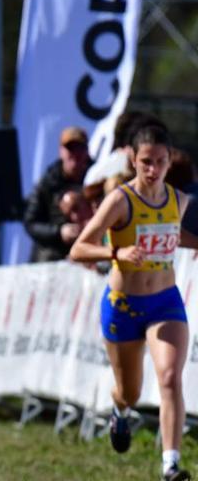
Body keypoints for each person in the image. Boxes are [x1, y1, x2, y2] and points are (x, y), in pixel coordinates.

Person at [70, 124, 196, 481]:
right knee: (130, 390)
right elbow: (78, 248)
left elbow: (174, 234)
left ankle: (170, 465)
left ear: (170, 161)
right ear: (133, 159)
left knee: (170, 378)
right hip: (123, 305)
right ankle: (119, 410)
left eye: (159, 162)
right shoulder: (120, 200)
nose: (153, 170)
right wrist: (116, 251)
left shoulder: (179, 200)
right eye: (145, 162)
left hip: (165, 303)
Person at [24, 126, 92, 262]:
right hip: (55, 251)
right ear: (61, 151)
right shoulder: (48, 182)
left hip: (90, 245)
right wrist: (59, 232)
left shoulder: (96, 177)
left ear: (86, 151)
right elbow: (31, 223)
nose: (75, 154)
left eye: (80, 148)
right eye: (70, 148)